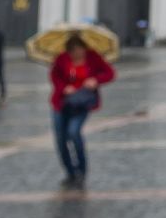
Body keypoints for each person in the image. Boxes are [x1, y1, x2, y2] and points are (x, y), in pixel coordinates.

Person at [49, 33, 116, 189]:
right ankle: (70, 172)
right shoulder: (61, 59)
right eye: (74, 51)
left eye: (80, 50)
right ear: (69, 51)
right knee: (61, 140)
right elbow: (54, 77)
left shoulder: (93, 57)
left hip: (82, 104)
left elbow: (110, 73)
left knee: (74, 132)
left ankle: (81, 170)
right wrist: (64, 87)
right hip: (62, 104)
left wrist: (96, 80)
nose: (78, 54)